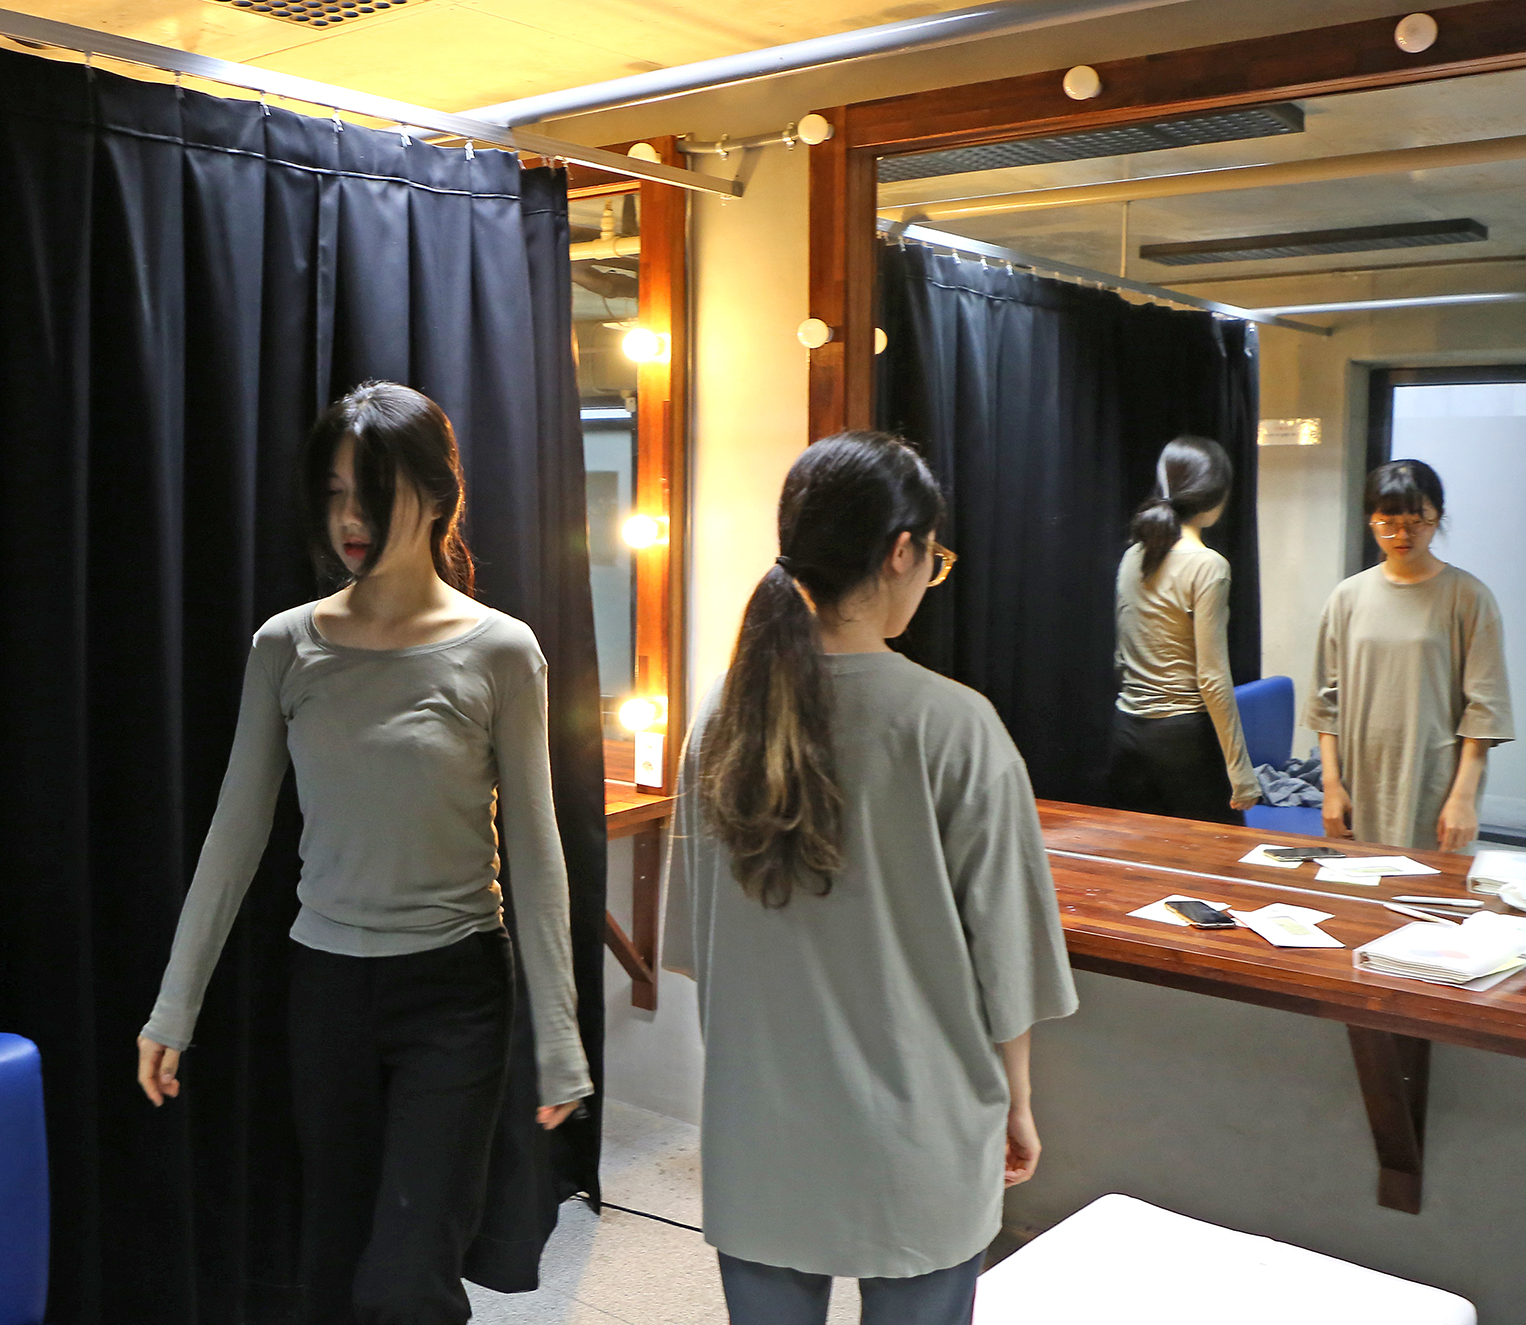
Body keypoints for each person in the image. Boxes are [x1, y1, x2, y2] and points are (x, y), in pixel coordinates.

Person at [134, 382, 591, 1325]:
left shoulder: (502, 651)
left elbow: (538, 852)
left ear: (438, 496)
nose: (350, 518)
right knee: (335, 1269)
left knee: (408, 1278)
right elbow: (235, 832)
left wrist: (558, 1034)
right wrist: (174, 1005)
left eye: (373, 493)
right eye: (336, 492)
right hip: (329, 987)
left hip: (456, 989)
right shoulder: (287, 645)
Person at [663, 432, 1078, 1325]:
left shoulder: (720, 717)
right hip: (918, 1136)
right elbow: (1007, 964)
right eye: (935, 558)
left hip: (760, 1132)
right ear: (901, 551)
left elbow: (700, 946)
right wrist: (1018, 1101)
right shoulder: (954, 725)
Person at [1306, 458, 1513, 852]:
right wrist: (1330, 786)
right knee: (1357, 882)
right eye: (1388, 522)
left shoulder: (1469, 597)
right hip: (1359, 778)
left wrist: (1463, 797)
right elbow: (1324, 703)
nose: (1402, 535)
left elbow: (1485, 709)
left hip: (1434, 778)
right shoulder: (1347, 597)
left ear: (1438, 518)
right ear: (1371, 520)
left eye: (1417, 522)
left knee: (1430, 885)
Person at [1108, 435, 1260, 825]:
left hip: (1126, 732)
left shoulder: (1132, 555)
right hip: (1184, 741)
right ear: (1217, 495)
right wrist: (1240, 769)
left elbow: (1121, 658)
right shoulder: (1208, 565)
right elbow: (1212, 677)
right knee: (1216, 857)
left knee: (1141, 856)